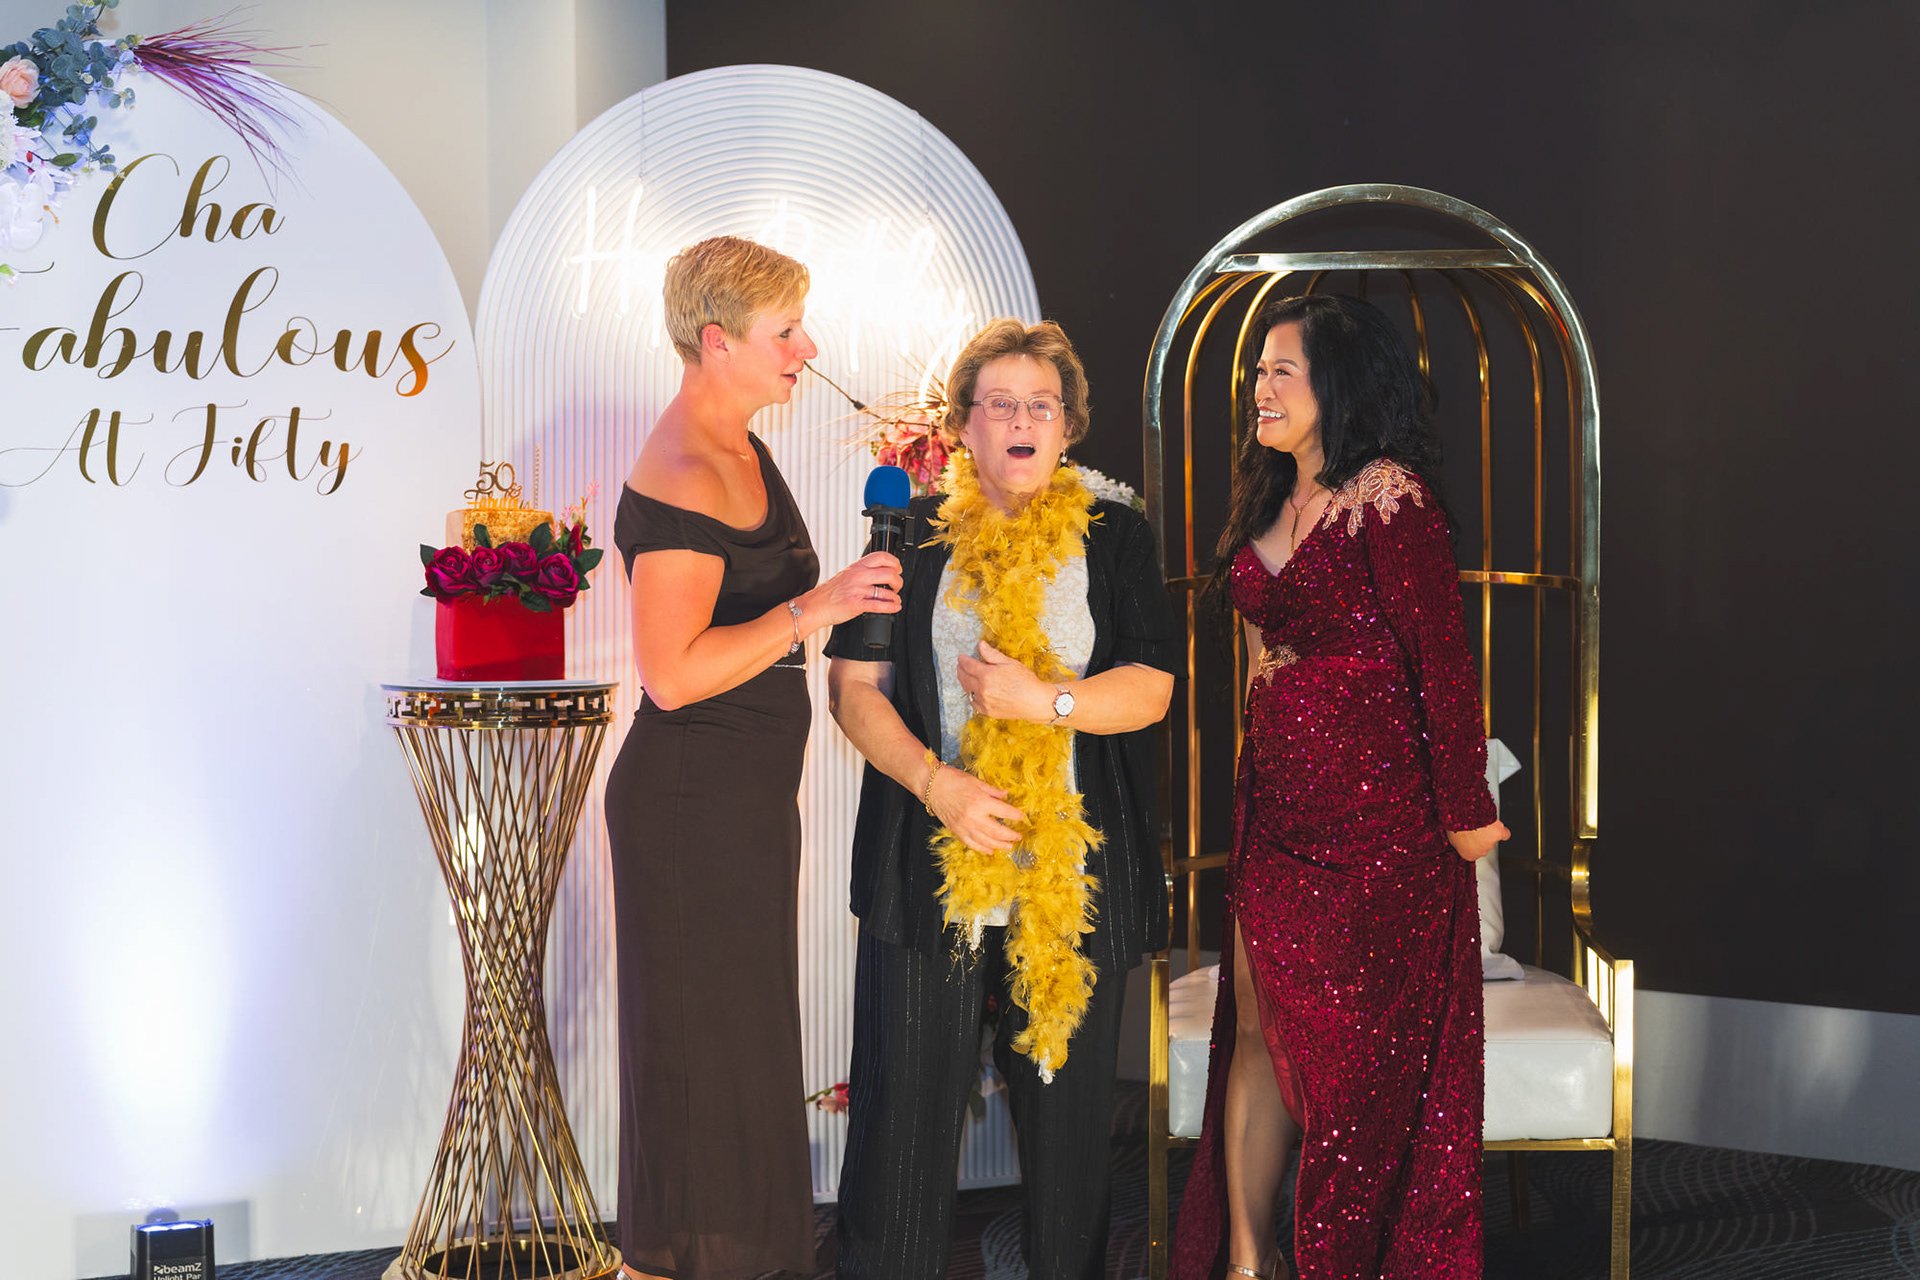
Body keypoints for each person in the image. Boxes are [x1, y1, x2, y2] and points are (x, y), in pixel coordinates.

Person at [826, 319, 1178, 1279]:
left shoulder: (1115, 536)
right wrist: (937, 786)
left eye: (1042, 406)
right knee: (900, 1139)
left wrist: (1044, 700)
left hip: (1071, 881)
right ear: (963, 427)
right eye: (1001, 405)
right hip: (928, 870)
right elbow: (853, 691)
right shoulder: (909, 537)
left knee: (1070, 1153)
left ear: (1068, 427)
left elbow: (1151, 688)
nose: (1023, 422)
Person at [1170, 294, 1509, 1280]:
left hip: (1382, 839)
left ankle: (1341, 1258)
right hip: (1277, 825)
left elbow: (1443, 662)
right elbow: (1255, 667)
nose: (1261, 389)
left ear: (1339, 384)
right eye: (1258, 372)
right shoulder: (1261, 502)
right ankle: (1247, 1261)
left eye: (1283, 370)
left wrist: (1467, 813)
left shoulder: (1390, 497)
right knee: (1257, 1034)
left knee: (1356, 1066)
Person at [604, 235, 903, 1280]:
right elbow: (671, 676)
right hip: (691, 807)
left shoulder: (738, 441)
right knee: (705, 1065)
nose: (806, 349)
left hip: (738, 802)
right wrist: (816, 607)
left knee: (737, 1053)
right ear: (717, 340)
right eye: (786, 332)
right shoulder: (687, 469)